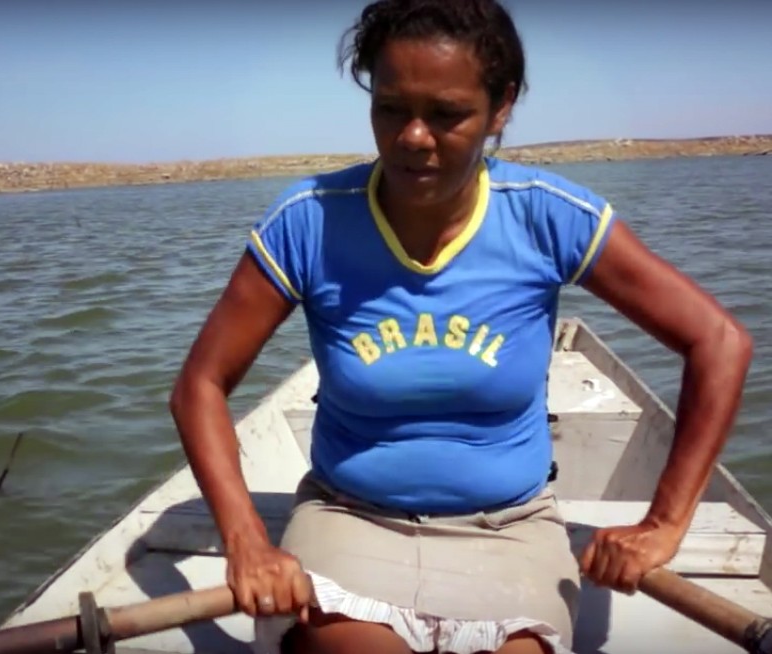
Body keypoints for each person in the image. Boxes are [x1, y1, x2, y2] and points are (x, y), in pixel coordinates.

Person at [168, 0, 753, 652]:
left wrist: (666, 523)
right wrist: (247, 540)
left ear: (500, 108)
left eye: (446, 115)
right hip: (349, 519)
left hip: (510, 532)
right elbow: (201, 384)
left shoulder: (547, 216)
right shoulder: (309, 219)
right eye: (391, 109)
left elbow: (719, 342)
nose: (413, 137)